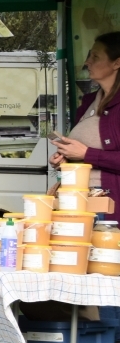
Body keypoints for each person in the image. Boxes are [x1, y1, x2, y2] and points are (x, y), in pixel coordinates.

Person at [51, 32, 120, 220]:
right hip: (76, 196)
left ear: (117, 63)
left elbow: (88, 153)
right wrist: (66, 159)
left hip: (107, 203)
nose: (87, 62)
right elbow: (82, 154)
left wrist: (86, 154)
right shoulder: (89, 102)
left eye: (95, 57)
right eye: (89, 55)